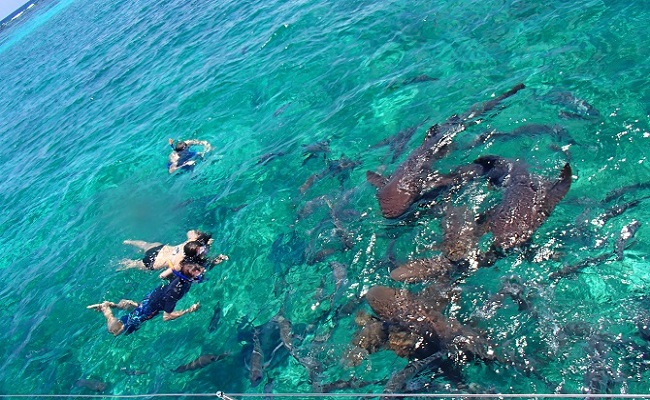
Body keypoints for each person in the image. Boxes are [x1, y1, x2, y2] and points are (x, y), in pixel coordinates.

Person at [87, 259, 205, 336]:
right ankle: (106, 310)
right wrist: (188, 310)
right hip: (154, 305)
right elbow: (166, 316)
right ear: (188, 278)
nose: (201, 276)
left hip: (153, 296)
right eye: (198, 276)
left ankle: (116, 305)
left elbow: (164, 275)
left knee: (140, 307)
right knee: (118, 330)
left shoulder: (182, 277)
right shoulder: (176, 292)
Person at [120, 230, 211, 275]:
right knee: (131, 264)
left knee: (144, 244)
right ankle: (120, 266)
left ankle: (128, 242)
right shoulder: (182, 261)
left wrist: (199, 234)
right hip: (155, 262)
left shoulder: (191, 241)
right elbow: (163, 275)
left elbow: (190, 232)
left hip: (160, 248)